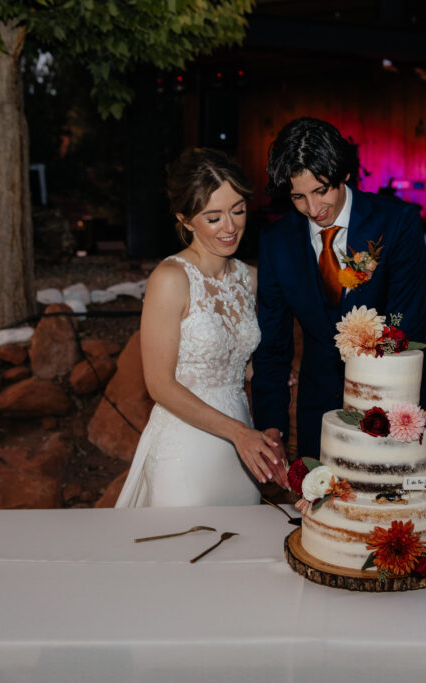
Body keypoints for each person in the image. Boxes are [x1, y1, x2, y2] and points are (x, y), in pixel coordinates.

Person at [251, 117, 426, 464]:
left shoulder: (397, 223)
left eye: (321, 190)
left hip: (398, 405)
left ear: (344, 174)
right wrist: (272, 426)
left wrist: (371, 415)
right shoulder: (276, 242)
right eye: (298, 196)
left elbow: (406, 324)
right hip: (320, 415)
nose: (313, 209)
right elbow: (272, 345)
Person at [116, 148, 287, 508]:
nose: (230, 226)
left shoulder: (250, 279)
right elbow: (159, 384)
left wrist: (271, 374)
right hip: (186, 451)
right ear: (185, 219)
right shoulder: (170, 279)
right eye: (213, 217)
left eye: (238, 210)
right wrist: (238, 433)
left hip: (242, 451)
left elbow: (235, 359)